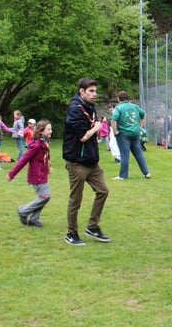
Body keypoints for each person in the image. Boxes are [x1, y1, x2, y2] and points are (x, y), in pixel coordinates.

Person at [63, 77, 110, 245]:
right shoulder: (75, 110)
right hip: (77, 162)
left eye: (95, 91)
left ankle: (92, 226)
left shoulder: (90, 107)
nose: (94, 94)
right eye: (91, 91)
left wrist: (95, 128)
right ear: (81, 91)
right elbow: (82, 137)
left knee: (103, 191)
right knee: (76, 199)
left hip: (92, 161)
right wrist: (96, 128)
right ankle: (71, 233)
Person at [7, 119, 53, 228]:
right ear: (41, 131)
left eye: (51, 129)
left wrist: (47, 167)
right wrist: (11, 174)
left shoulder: (44, 142)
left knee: (43, 197)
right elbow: (23, 160)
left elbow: (44, 157)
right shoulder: (36, 145)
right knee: (45, 196)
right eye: (48, 129)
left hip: (42, 173)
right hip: (36, 175)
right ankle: (23, 211)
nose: (51, 131)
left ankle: (33, 219)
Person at [110, 91, 151, 180]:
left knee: (124, 154)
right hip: (135, 133)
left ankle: (123, 175)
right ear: (127, 98)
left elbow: (113, 120)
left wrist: (115, 131)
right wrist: (140, 127)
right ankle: (146, 172)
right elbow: (144, 115)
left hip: (123, 134)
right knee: (138, 153)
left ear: (118, 99)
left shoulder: (118, 108)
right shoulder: (134, 106)